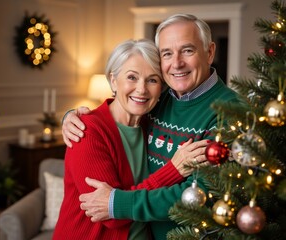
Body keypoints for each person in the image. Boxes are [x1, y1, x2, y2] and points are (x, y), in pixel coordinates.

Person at [61, 14, 241, 239]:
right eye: (167, 53)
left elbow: (204, 194)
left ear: (210, 52)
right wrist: (70, 116)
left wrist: (120, 203)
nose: (176, 63)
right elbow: (123, 105)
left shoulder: (231, 112)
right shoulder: (158, 103)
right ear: (113, 79)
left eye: (187, 50)